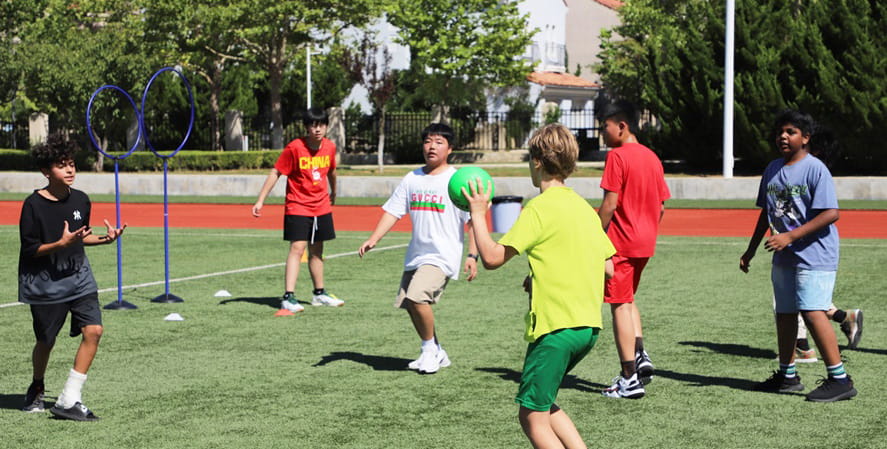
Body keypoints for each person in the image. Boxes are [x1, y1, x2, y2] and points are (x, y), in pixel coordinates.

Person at [463, 124, 615, 449]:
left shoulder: (539, 208)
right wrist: (543, 273)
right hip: (588, 328)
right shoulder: (583, 209)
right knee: (544, 403)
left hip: (555, 329)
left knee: (531, 417)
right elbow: (609, 267)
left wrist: (478, 212)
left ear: (536, 162)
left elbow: (490, 257)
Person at [740, 109, 857, 402]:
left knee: (813, 312)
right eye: (780, 131)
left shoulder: (816, 168)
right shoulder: (772, 169)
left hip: (814, 255)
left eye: (791, 132)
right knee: (785, 314)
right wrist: (751, 250)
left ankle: (840, 379)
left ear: (805, 138)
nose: (783, 136)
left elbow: (832, 213)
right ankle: (787, 375)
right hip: (784, 257)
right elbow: (766, 213)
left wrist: (790, 236)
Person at [19, 133, 126, 421]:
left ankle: (69, 399)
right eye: (62, 165)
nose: (70, 170)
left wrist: (105, 239)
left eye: (72, 164)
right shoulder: (33, 205)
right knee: (46, 341)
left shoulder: (81, 199)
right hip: (46, 285)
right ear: (46, 171)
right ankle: (38, 383)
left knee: (94, 331)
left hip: (80, 279)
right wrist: (59, 245)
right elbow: (30, 250)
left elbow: (80, 237)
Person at [357, 123, 478, 374]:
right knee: (409, 304)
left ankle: (428, 352)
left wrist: (472, 255)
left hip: (442, 256)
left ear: (450, 148)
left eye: (439, 142)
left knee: (417, 297)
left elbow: (472, 221)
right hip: (416, 254)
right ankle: (437, 351)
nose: (431, 146)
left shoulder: (456, 181)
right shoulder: (412, 178)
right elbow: (393, 211)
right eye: (427, 141)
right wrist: (374, 238)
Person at [596, 100, 670, 399]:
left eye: (606, 127)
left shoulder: (617, 156)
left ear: (621, 126)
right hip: (645, 243)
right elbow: (662, 205)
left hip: (621, 243)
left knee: (619, 305)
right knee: (627, 298)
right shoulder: (652, 157)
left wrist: (594, 234)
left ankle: (629, 378)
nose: (603, 133)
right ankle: (640, 355)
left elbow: (610, 204)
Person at [252, 107, 344, 313]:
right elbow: (276, 172)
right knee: (298, 248)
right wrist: (261, 200)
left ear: (327, 127)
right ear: (306, 127)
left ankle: (319, 294)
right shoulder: (295, 148)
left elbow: (332, 172)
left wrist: (334, 193)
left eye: (321, 125)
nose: (317, 129)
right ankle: (288, 296)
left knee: (317, 251)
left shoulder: (329, 147)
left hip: (321, 205)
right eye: (313, 125)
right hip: (298, 205)